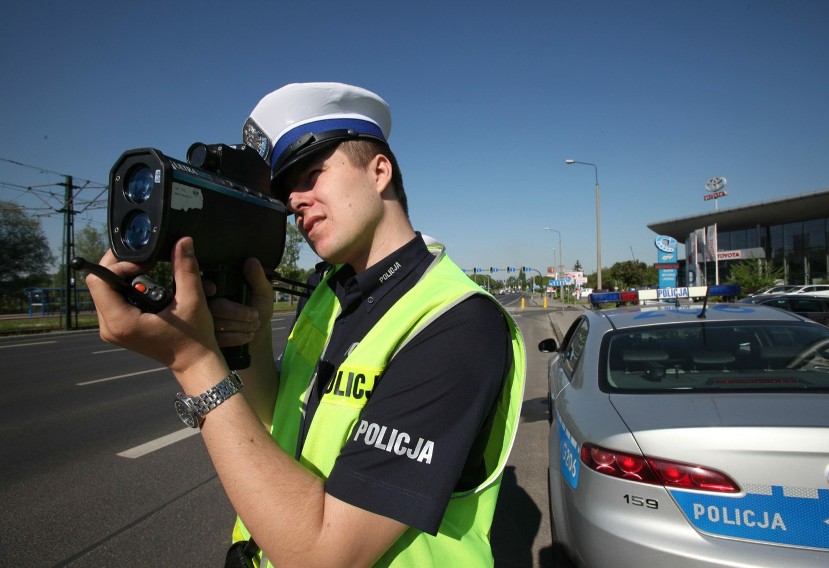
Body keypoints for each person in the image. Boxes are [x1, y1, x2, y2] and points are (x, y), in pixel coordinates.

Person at [87, 82, 525, 567]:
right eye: (286, 191)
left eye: (313, 174)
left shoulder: (458, 322)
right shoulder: (327, 294)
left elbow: (324, 555)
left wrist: (193, 361)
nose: (295, 201)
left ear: (379, 172)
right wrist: (244, 340)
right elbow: (279, 416)